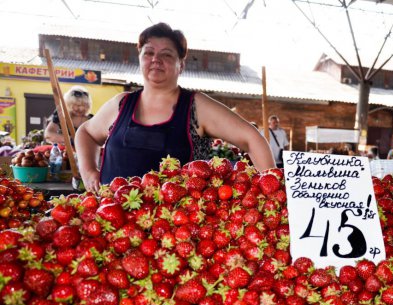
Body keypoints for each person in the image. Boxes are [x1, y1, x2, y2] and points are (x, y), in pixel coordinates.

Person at [75, 23, 275, 193]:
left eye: (167, 55)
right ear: (140, 59)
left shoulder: (197, 107)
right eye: (149, 53)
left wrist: (272, 196)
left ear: (181, 65)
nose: (156, 59)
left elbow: (252, 139)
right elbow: (85, 133)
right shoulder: (120, 105)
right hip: (112, 231)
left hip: (177, 234)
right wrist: (89, 172)